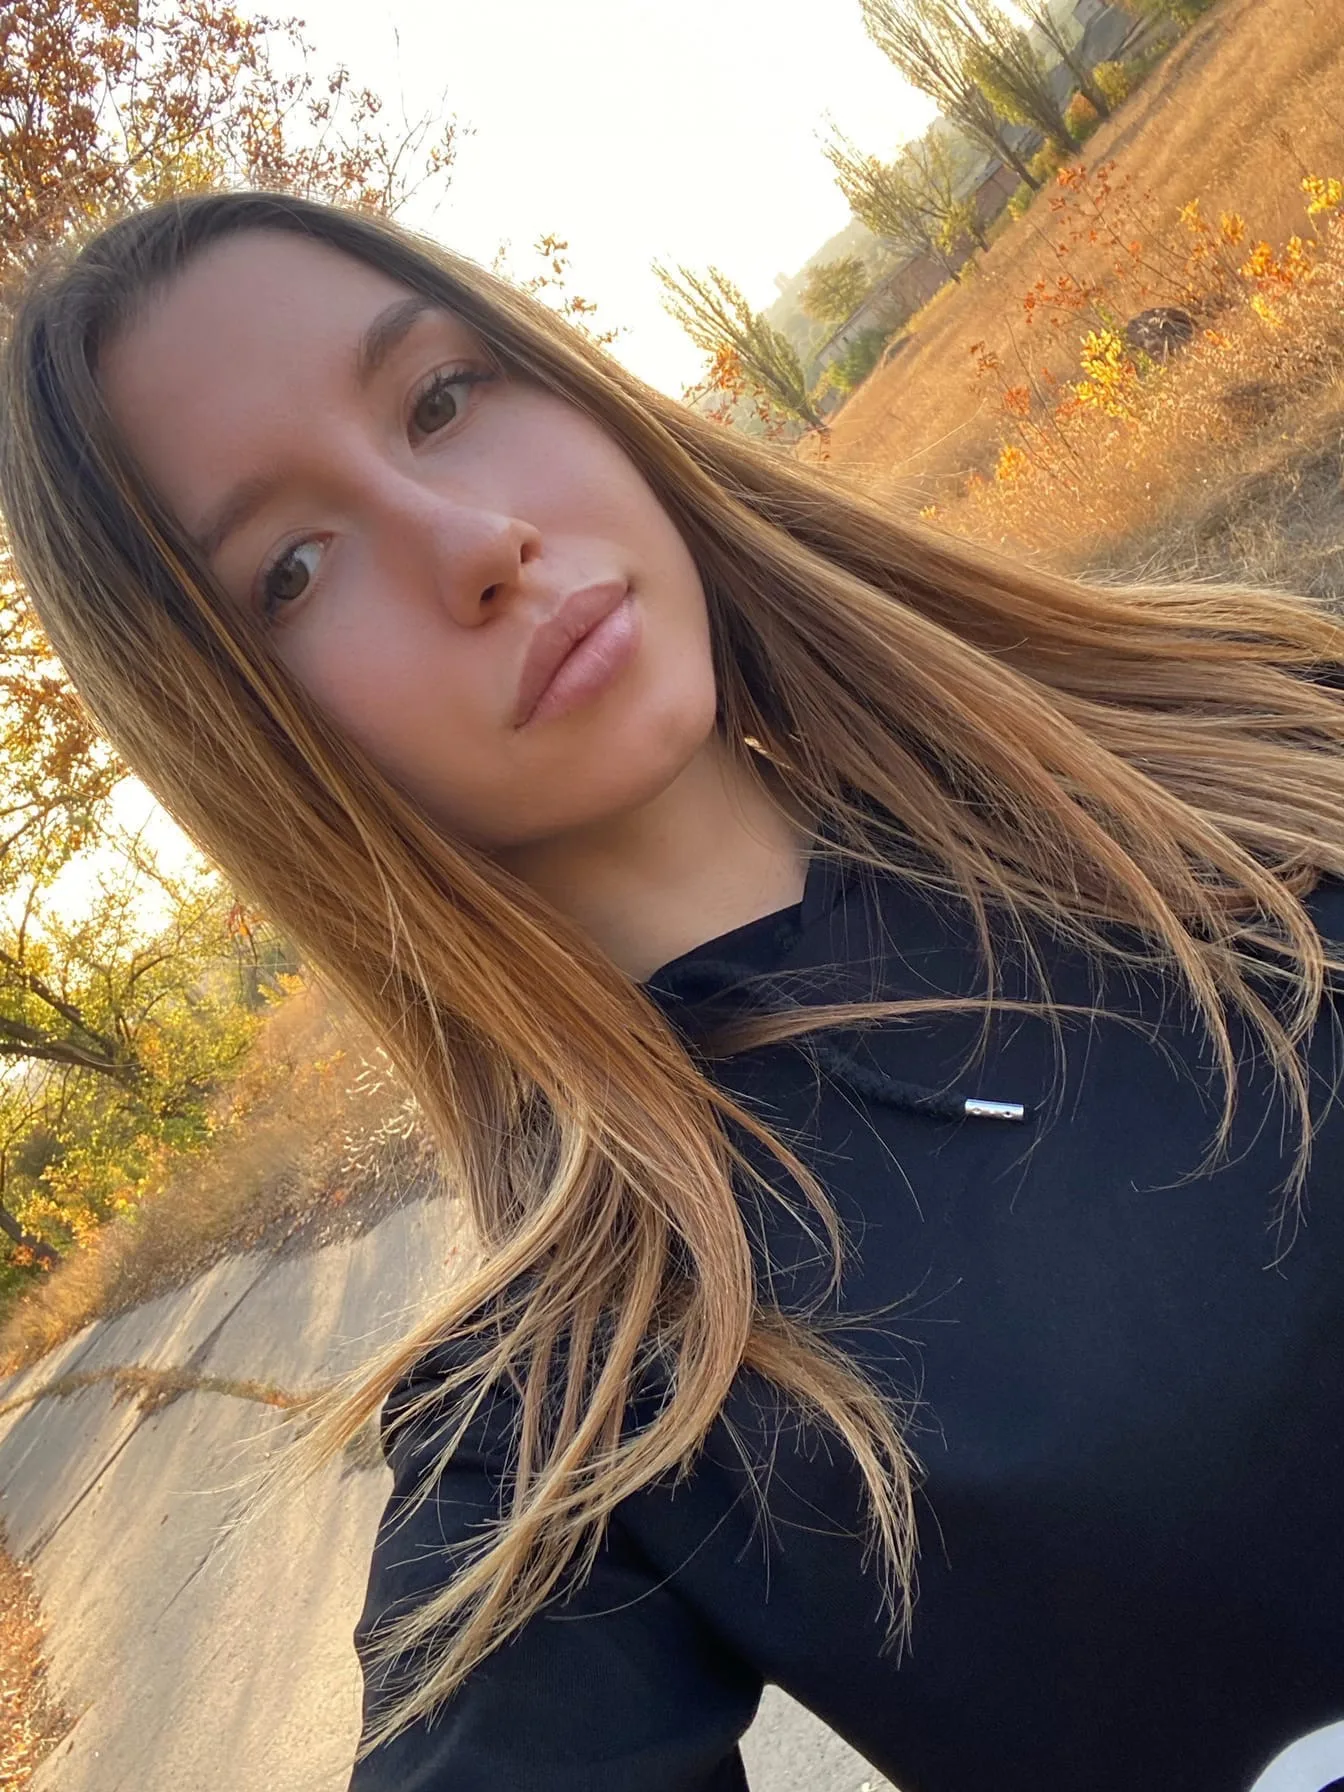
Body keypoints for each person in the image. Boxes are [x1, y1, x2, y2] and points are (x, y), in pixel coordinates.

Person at [2, 188, 1343, 1792]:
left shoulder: (1245, 715)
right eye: (291, 568)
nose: (474, 546)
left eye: (442, 398)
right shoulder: (578, 1406)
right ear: (248, 737)